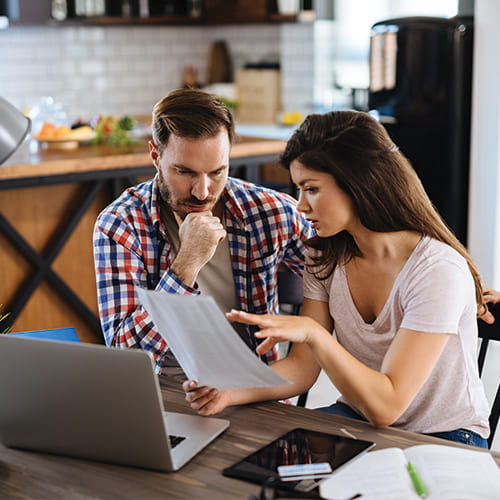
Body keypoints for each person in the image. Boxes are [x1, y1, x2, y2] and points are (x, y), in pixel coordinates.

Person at [184, 110, 492, 448]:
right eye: (298, 189)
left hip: (444, 438)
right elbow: (302, 369)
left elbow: (387, 407)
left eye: (311, 189)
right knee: (256, 467)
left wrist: (316, 335)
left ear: (359, 182)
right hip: (358, 421)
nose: (300, 206)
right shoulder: (324, 255)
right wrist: (228, 391)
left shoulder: (436, 269)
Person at [93, 88, 312, 374]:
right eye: (185, 172)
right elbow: (127, 357)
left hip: (254, 391)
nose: (202, 192)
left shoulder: (270, 212)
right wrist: (186, 266)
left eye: (217, 172)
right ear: (155, 155)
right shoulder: (120, 225)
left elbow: (343, 281)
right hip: (162, 393)